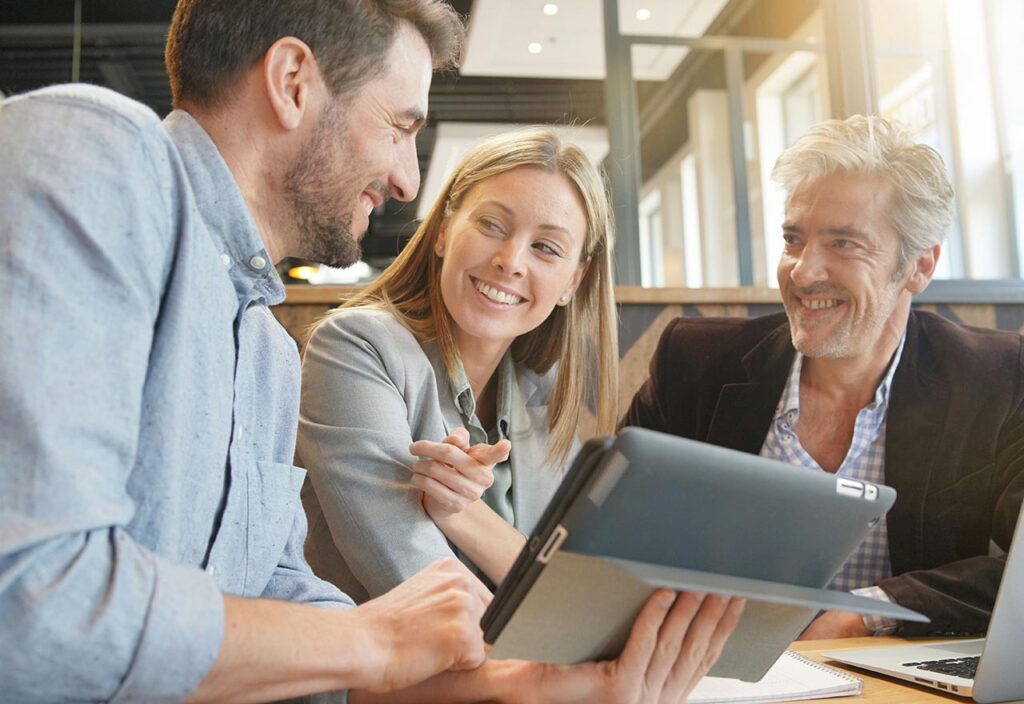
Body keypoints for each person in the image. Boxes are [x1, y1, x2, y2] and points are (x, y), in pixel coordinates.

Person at [0, 0, 743, 701]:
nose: (408, 179)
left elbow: (294, 632)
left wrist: (545, 685)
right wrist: (370, 641)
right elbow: (31, 601)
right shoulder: (91, 151)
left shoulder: (266, 354)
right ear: (293, 83)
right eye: (398, 126)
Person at [623, 115, 1024, 640]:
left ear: (919, 267)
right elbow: (611, 533)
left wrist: (864, 613)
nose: (803, 271)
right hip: (708, 667)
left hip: (886, 675)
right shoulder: (695, 362)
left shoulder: (996, 377)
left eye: (843, 244)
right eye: (794, 240)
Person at [298, 127, 618, 600]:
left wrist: (466, 516)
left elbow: (576, 595)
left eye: (546, 248)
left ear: (574, 281)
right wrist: (555, 617)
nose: (511, 261)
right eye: (491, 225)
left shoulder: (543, 393)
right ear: (445, 231)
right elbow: (429, 596)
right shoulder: (355, 346)